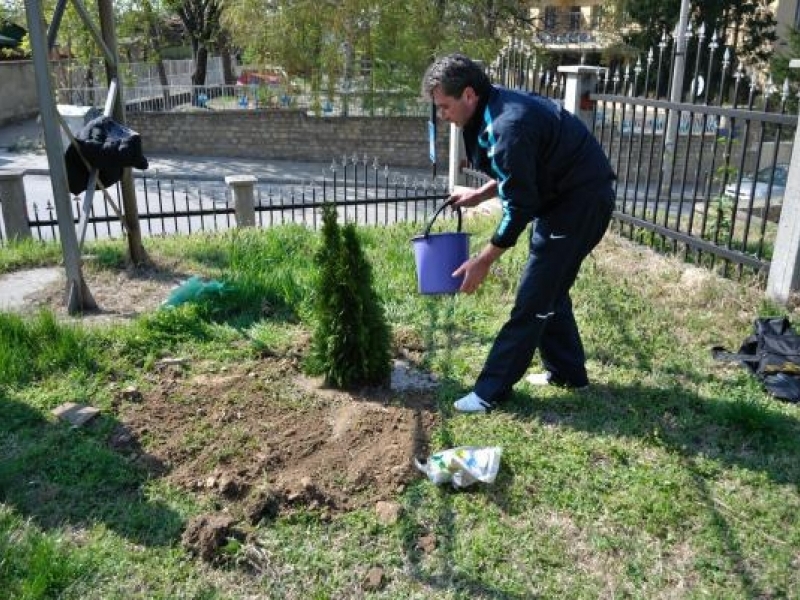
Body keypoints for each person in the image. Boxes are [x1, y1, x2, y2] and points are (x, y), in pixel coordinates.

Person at [421, 53, 616, 413]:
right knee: (550, 288)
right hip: (561, 197)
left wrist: (484, 259)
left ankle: (489, 392)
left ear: (468, 95)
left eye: (445, 107)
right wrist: (480, 193)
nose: (443, 115)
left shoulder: (508, 124)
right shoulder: (493, 106)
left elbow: (520, 205)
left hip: (579, 205)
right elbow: (520, 170)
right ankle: (567, 373)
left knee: (533, 298)